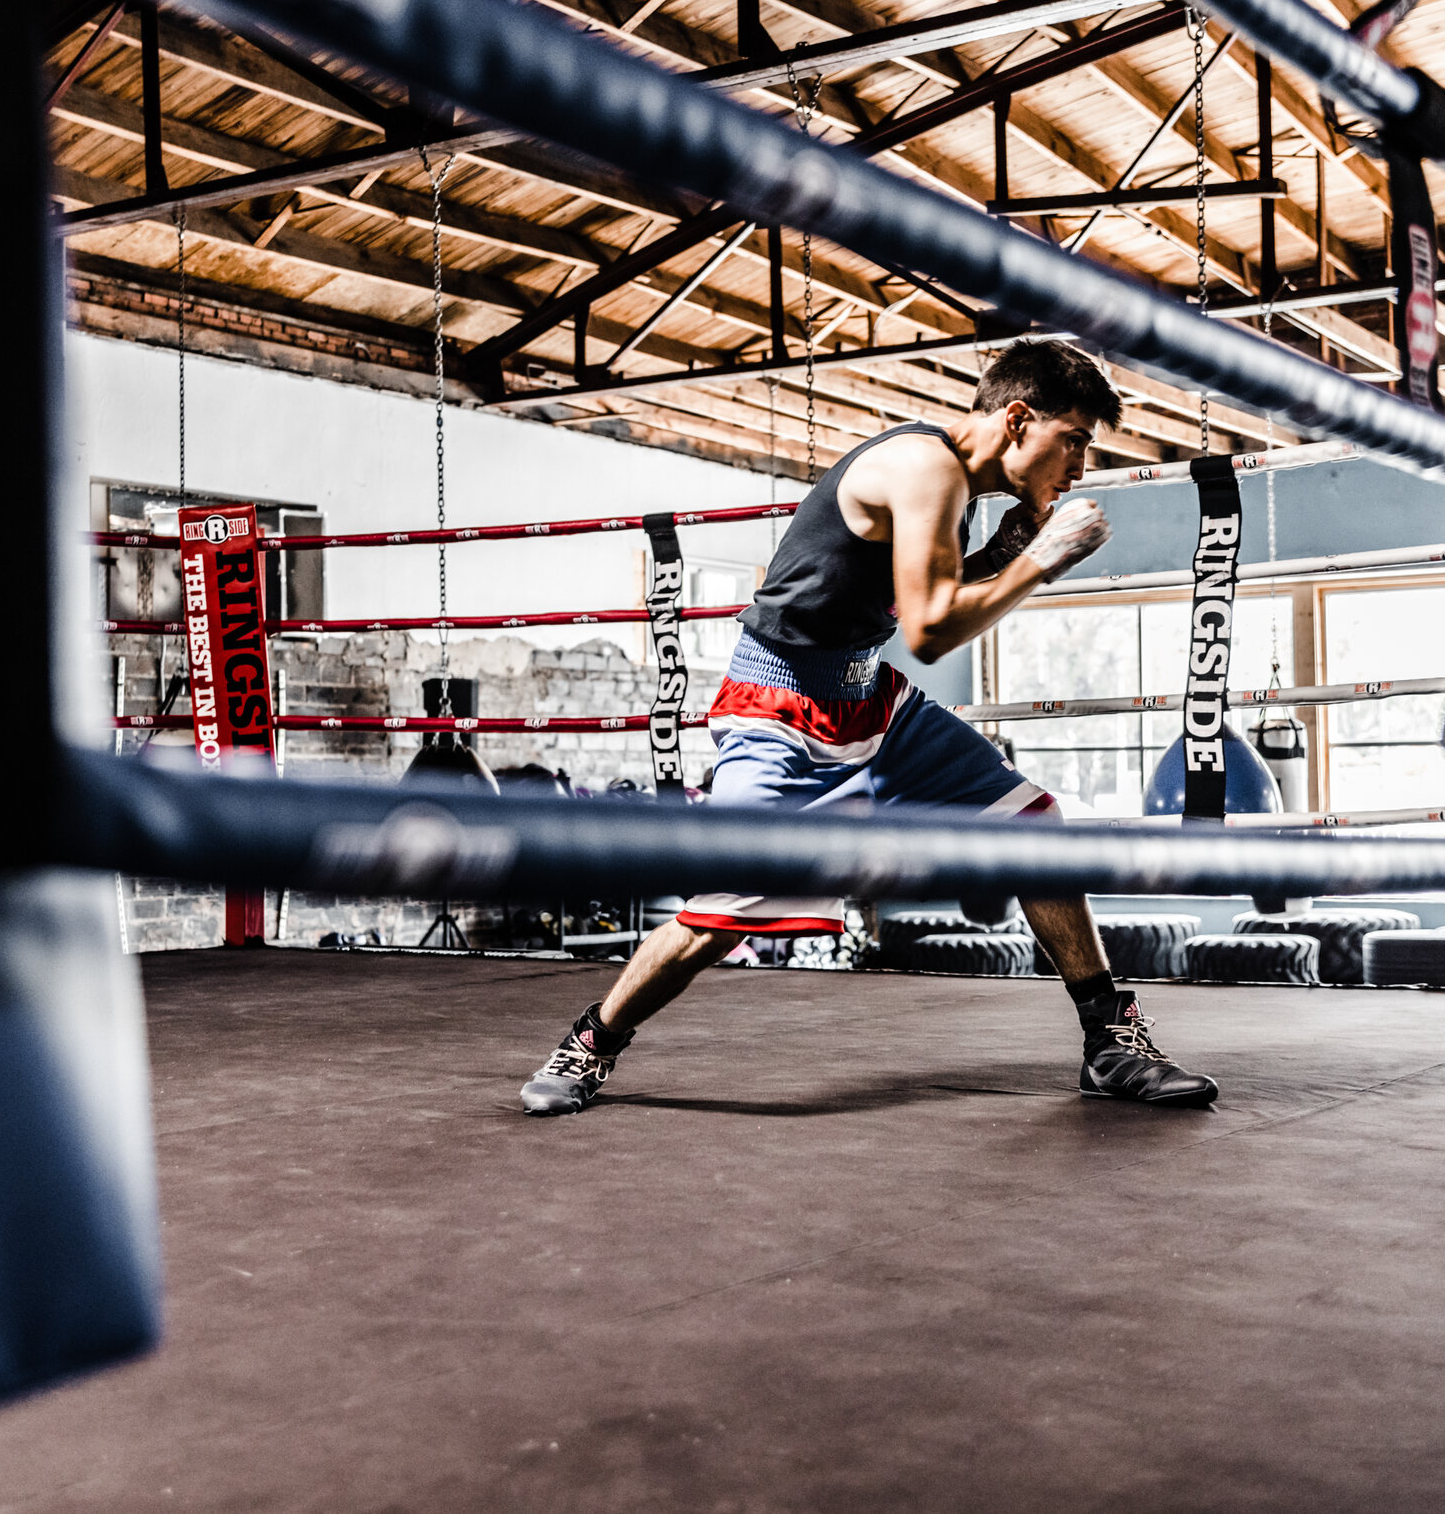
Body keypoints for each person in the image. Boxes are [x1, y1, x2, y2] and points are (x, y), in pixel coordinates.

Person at [520, 340, 1220, 1115]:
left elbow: (906, 590)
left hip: (870, 703)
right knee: (723, 912)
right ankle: (591, 1042)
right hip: (778, 709)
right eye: (1075, 440)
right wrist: (1040, 562)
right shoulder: (929, 471)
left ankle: (1108, 1040)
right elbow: (928, 630)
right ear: (1019, 419)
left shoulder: (955, 484)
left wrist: (1000, 555)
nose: (1080, 468)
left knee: (1033, 826)